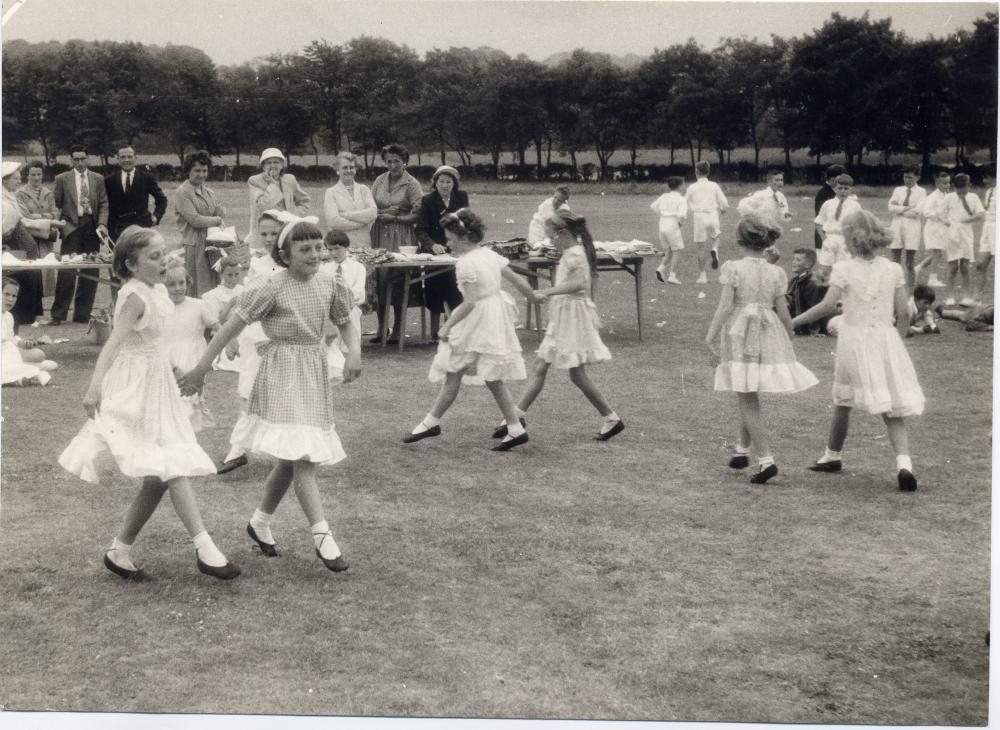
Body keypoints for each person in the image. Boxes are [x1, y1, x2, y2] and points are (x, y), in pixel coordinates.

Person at [179, 217, 361, 572]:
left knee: (292, 456)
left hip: (312, 372)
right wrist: (201, 368)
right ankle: (322, 534)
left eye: (318, 248)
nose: (314, 255)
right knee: (304, 454)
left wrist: (355, 351)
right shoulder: (272, 286)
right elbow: (231, 326)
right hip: (281, 372)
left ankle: (260, 522)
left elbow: (345, 320)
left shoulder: (329, 282)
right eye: (304, 249)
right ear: (285, 254)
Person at [57, 226, 239, 580]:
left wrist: (177, 371)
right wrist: (94, 386)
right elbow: (114, 344)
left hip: (159, 385)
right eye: (153, 257)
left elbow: (153, 343)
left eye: (162, 253)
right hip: (135, 389)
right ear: (131, 263)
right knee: (171, 465)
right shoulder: (134, 297)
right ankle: (205, 548)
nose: (163, 260)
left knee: (159, 477)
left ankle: (119, 551)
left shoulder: (155, 291)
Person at [791, 210, 925, 492]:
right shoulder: (893, 269)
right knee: (891, 408)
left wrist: (792, 322)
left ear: (852, 239)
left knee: (843, 400)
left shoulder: (844, 268)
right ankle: (904, 465)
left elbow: (827, 306)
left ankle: (833, 455)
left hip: (853, 340)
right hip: (886, 340)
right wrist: (897, 342)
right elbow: (903, 313)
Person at [404, 208, 540, 451]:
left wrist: (446, 326)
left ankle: (431, 423)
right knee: (479, 374)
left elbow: (470, 302)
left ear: (464, 237)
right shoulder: (488, 254)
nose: (447, 243)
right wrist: (533, 296)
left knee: (459, 369)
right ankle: (514, 428)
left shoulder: (465, 264)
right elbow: (517, 280)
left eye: (449, 239)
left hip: (479, 319)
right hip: (494, 315)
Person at [706, 213, 818, 484]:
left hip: (742, 333)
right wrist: (788, 334)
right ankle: (742, 450)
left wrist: (710, 335)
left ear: (738, 241)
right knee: (748, 388)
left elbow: (725, 307)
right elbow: (783, 310)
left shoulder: (733, 268)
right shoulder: (776, 271)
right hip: (767, 331)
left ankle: (766, 459)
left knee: (746, 394)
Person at [499, 209, 624, 442]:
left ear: (562, 233)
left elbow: (579, 284)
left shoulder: (574, 253)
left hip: (573, 317)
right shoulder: (569, 252)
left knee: (575, 374)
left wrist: (546, 291)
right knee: (541, 365)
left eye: (551, 236)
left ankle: (611, 417)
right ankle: (516, 416)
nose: (550, 241)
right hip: (564, 315)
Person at [217, 210, 287, 475]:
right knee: (247, 389)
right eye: (264, 234)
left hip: (278, 335)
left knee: (279, 393)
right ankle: (238, 449)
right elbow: (248, 301)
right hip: (254, 333)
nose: (269, 239)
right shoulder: (257, 264)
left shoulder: (290, 264)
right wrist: (232, 336)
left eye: (274, 233)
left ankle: (283, 449)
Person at [49, 145, 109, 325]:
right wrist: (61, 225)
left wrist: (102, 224)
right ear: (71, 160)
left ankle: (82, 315)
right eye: (76, 159)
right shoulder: (62, 179)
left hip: (92, 226)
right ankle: (58, 315)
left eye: (83, 158)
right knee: (67, 271)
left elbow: (104, 203)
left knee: (90, 270)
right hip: (71, 227)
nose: (80, 162)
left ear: (88, 159)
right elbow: (56, 204)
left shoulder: (98, 178)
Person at [370, 143, 423, 344]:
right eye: (389, 161)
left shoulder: (412, 184)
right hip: (380, 235)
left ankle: (399, 329)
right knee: (379, 280)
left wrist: (396, 218)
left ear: (404, 162)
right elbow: (369, 207)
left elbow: (418, 213)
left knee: (399, 280)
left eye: (397, 161)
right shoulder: (379, 181)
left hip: (402, 237)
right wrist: (383, 214)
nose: (393, 165)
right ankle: (381, 328)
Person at [162, 258, 218, 431]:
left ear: (188, 282)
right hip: (170, 360)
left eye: (181, 283)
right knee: (173, 398)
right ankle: (175, 434)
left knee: (191, 396)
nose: (178, 288)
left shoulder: (198, 305)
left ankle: (189, 436)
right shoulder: (161, 309)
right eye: (171, 284)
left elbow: (215, 325)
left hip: (194, 358)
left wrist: (226, 340)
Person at [414, 165, 468, 341]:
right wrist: (432, 245)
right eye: (441, 181)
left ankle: (454, 330)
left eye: (448, 182)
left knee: (456, 290)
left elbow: (466, 224)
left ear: (454, 184)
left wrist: (459, 244)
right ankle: (435, 333)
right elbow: (420, 230)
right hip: (435, 252)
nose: (445, 185)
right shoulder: (428, 200)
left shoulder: (461, 198)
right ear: (435, 183)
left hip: (455, 251)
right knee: (434, 289)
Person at [174, 150, 225, 297]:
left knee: (213, 284)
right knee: (196, 285)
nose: (201, 174)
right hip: (194, 245)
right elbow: (195, 220)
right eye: (197, 170)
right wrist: (217, 220)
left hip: (211, 243)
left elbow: (218, 211)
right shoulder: (182, 192)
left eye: (204, 170)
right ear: (188, 170)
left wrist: (220, 214)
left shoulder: (209, 192)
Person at [2, 162, 45, 327]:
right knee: (16, 281)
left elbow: (21, 220)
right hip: (15, 249)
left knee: (29, 277)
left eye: (19, 178)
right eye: (15, 179)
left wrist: (46, 223)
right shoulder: (3, 201)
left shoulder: (10, 195)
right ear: (4, 180)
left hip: (23, 248)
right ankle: (17, 319)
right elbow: (5, 229)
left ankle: (26, 316)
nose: (18, 182)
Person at [247, 148, 310, 246]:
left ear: (282, 165)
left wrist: (294, 216)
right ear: (263, 166)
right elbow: (263, 205)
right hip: (265, 232)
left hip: (288, 230)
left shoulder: (290, 179)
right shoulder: (254, 181)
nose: (272, 165)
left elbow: (304, 201)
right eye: (268, 163)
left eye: (276, 162)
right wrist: (272, 184)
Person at [104, 145, 168, 240]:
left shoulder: (146, 178)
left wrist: (156, 217)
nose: (126, 160)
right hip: (117, 230)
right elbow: (105, 205)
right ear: (118, 159)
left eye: (129, 156)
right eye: (123, 157)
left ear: (135, 158)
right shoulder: (109, 180)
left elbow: (162, 200)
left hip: (141, 228)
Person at [1, 277, 56, 386]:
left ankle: (22, 373)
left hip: (8, 354)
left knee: (40, 356)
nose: (11, 299)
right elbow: (6, 344)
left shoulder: (8, 316)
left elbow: (11, 338)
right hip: (5, 353)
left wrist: (22, 343)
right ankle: (32, 373)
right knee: (41, 359)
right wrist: (15, 345)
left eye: (14, 296)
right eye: (6, 294)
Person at [941, 173, 985, 306]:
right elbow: (940, 214)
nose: (964, 190)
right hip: (952, 235)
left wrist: (965, 220)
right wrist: (947, 222)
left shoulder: (973, 197)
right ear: (955, 187)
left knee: (965, 267)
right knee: (952, 267)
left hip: (966, 234)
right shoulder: (949, 198)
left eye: (966, 187)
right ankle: (950, 296)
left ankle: (966, 296)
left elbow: (980, 215)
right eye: (960, 188)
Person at [814, 174, 863, 284]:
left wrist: (853, 241)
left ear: (851, 189)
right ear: (835, 189)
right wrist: (824, 239)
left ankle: (842, 298)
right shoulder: (828, 204)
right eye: (840, 188)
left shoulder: (855, 205)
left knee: (844, 270)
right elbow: (818, 223)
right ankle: (825, 293)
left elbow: (859, 225)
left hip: (845, 239)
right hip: (830, 238)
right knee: (825, 270)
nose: (842, 191)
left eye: (846, 188)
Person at [323, 151, 377, 249]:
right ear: (337, 170)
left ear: (355, 169)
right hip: (340, 245)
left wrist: (345, 215)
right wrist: (363, 222)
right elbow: (333, 221)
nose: (349, 170)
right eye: (344, 167)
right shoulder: (331, 192)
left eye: (351, 167)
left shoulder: (364, 189)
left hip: (363, 243)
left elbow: (373, 214)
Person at [685, 161, 729, 275]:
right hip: (712, 214)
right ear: (708, 172)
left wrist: (688, 210)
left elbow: (684, 202)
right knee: (716, 236)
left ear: (696, 171)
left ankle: (702, 275)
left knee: (701, 248)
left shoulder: (692, 187)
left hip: (699, 216)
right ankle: (715, 249)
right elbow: (723, 201)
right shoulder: (714, 185)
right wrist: (723, 208)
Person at [202, 257, 245, 372]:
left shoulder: (243, 290)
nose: (234, 278)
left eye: (237, 274)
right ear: (221, 275)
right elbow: (216, 322)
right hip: (224, 330)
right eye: (229, 275)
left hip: (242, 329)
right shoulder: (214, 295)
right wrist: (229, 306)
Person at [887, 165, 926, 288]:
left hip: (912, 227)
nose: (907, 180)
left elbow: (918, 212)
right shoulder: (898, 190)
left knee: (909, 262)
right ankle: (895, 287)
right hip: (896, 225)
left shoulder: (921, 192)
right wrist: (906, 208)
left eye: (910, 177)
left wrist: (899, 209)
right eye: (905, 177)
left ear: (917, 177)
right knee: (895, 261)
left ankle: (910, 291)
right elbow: (890, 208)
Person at [914, 171, 951, 288]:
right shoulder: (932, 197)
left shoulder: (947, 196)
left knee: (938, 254)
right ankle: (932, 278)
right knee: (937, 253)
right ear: (937, 183)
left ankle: (918, 268)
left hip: (942, 228)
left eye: (948, 183)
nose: (947, 185)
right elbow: (927, 212)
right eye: (944, 183)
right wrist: (941, 218)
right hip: (934, 228)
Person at [651, 176, 688, 284]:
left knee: (669, 250)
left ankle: (660, 268)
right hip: (672, 224)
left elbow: (653, 206)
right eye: (684, 184)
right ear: (680, 186)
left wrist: (664, 212)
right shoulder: (681, 199)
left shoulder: (664, 196)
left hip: (662, 223)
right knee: (678, 250)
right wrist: (680, 224)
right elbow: (682, 215)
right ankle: (672, 275)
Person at [786, 248, 828, 335]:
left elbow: (813, 307)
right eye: (793, 259)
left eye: (798, 260)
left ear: (808, 265)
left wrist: (814, 330)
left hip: (803, 324)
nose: (793, 262)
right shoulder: (794, 280)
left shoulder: (811, 283)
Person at [974, 171, 995, 305]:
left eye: (986, 176)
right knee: (980, 265)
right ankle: (977, 298)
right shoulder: (988, 192)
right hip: (987, 229)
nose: (984, 180)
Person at [814, 165, 847, 250]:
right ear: (832, 179)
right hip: (826, 237)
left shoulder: (843, 193)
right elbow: (822, 219)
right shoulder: (823, 194)